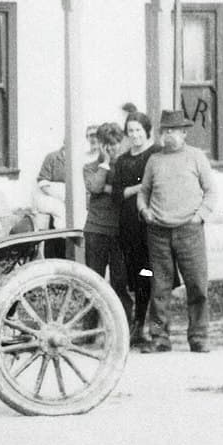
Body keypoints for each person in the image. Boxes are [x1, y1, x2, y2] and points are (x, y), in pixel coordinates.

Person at [138, 109, 220, 353]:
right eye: (165, 131)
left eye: (173, 131)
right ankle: (159, 338)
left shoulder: (196, 157)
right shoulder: (154, 160)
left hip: (189, 230)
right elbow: (144, 191)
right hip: (158, 232)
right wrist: (144, 211)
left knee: (197, 285)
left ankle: (199, 337)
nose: (168, 135)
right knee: (159, 288)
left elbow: (211, 191)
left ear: (184, 133)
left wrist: (199, 217)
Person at [109, 104, 158, 344]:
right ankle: (139, 324)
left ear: (147, 131)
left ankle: (151, 324)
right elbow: (117, 194)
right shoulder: (123, 161)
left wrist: (140, 190)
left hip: (151, 223)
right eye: (131, 130)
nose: (135, 135)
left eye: (139, 130)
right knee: (137, 274)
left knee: (151, 273)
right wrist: (141, 187)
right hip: (129, 226)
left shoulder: (156, 154)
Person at [80, 121, 133, 323]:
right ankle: (90, 329)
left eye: (115, 143)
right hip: (96, 231)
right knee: (93, 282)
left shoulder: (125, 166)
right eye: (107, 144)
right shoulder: (90, 167)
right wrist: (104, 164)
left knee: (121, 283)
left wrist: (111, 189)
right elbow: (94, 187)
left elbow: (125, 190)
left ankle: (125, 328)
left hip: (120, 233)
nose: (112, 148)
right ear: (100, 145)